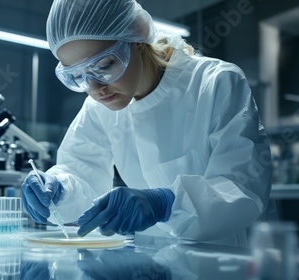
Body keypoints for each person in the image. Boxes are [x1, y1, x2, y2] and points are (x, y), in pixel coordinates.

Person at [21, 0, 273, 247]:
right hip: (145, 263)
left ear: (138, 39)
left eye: (104, 65)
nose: (94, 88)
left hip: (215, 263)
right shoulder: (100, 107)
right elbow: (81, 172)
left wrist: (167, 203)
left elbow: (243, 188)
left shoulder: (215, 83)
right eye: (77, 76)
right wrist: (58, 190)